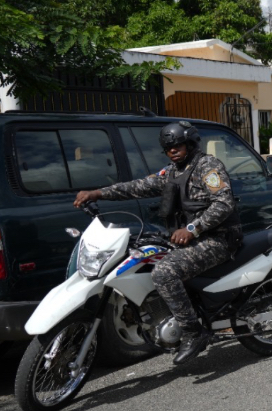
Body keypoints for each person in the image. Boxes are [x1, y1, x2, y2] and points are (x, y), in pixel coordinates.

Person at [74, 121, 241, 365]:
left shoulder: (208, 166)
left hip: (218, 238)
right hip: (192, 238)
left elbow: (224, 204)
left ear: (191, 143)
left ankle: (194, 332)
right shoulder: (173, 171)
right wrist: (99, 193)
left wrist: (193, 229)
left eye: (177, 145)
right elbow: (140, 186)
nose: (172, 151)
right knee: (142, 257)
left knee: (164, 272)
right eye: (168, 148)